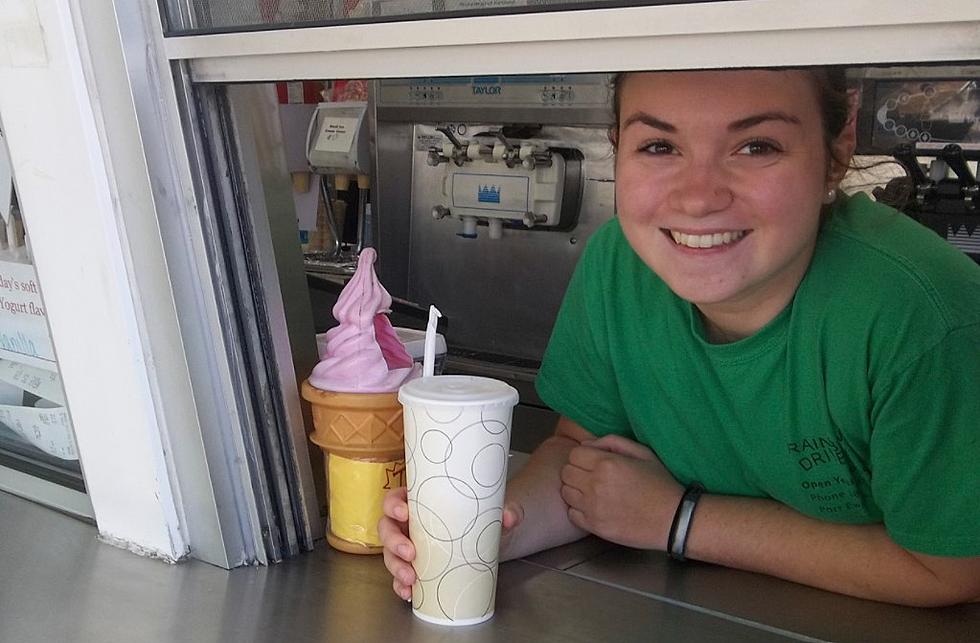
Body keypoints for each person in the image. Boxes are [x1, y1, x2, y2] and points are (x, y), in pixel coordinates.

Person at [379, 68, 980, 607]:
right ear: (618, 150)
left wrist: (681, 521)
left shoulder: (921, 317)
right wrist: (481, 535)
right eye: (660, 146)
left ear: (838, 148)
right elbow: (583, 457)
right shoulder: (621, 263)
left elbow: (951, 567)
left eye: (756, 146)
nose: (698, 198)